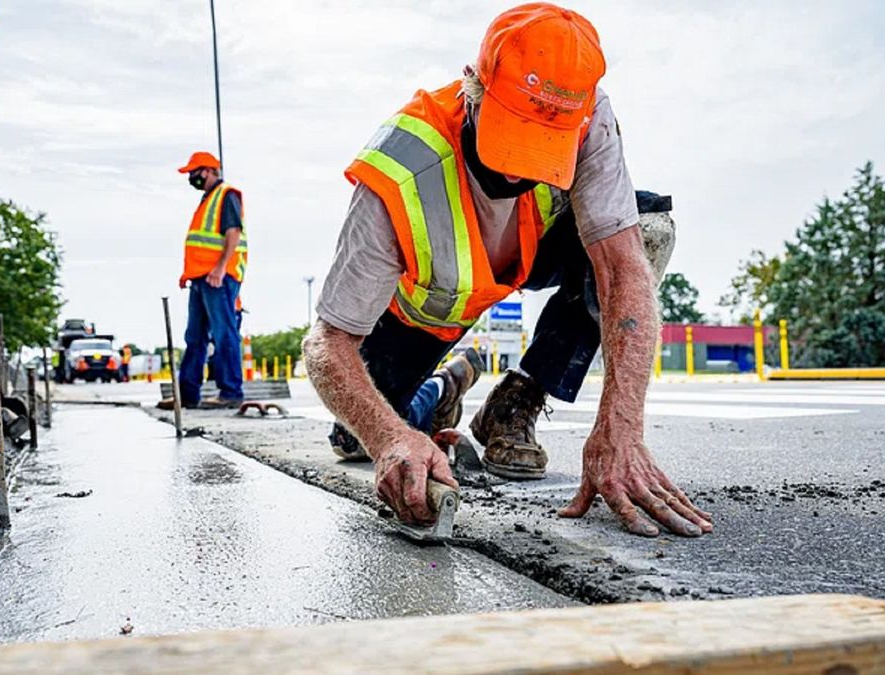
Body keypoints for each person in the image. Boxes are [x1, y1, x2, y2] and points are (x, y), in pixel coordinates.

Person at [303, 2, 711, 538]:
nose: (522, 171)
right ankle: (442, 391)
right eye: (511, 144)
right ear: (474, 89)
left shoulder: (587, 118)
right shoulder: (400, 173)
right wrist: (390, 438)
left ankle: (516, 400)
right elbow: (328, 344)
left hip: (529, 253)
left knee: (649, 231)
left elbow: (624, 272)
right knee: (358, 441)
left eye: (541, 155)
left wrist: (623, 428)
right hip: (428, 309)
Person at [161, 151, 247, 410]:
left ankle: (231, 392)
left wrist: (220, 268)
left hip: (218, 279)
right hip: (201, 278)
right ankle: (187, 395)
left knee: (224, 334)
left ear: (209, 171)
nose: (192, 177)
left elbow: (233, 232)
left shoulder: (227, 195)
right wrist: (188, 273)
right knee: (194, 337)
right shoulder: (208, 199)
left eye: (194, 172)